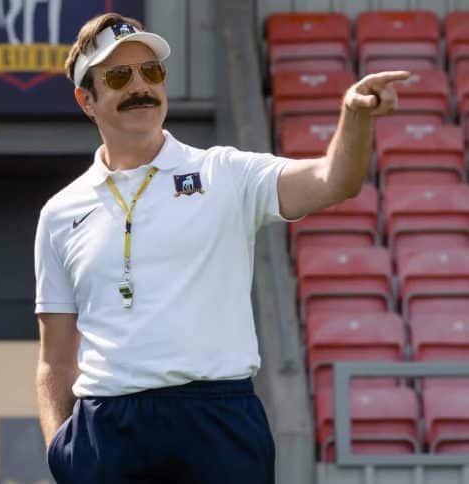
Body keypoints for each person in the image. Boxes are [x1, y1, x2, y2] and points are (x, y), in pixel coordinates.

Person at [33, 13, 408, 484]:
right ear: (87, 100)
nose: (140, 87)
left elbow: (334, 180)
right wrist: (59, 450)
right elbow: (54, 359)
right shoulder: (60, 212)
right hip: (106, 429)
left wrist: (354, 117)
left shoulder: (225, 173)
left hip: (218, 421)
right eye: (118, 76)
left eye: (152, 72)